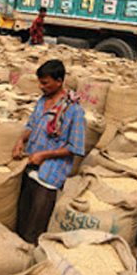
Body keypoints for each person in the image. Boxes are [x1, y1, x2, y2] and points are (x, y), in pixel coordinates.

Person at [13, 60, 85, 243]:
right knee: (21, 218)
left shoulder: (73, 110)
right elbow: (32, 124)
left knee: (34, 226)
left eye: (45, 83)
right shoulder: (42, 101)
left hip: (49, 176)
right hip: (30, 167)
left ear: (59, 81)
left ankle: (28, 259)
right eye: (40, 82)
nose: (41, 87)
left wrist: (45, 155)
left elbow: (74, 147)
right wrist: (21, 140)